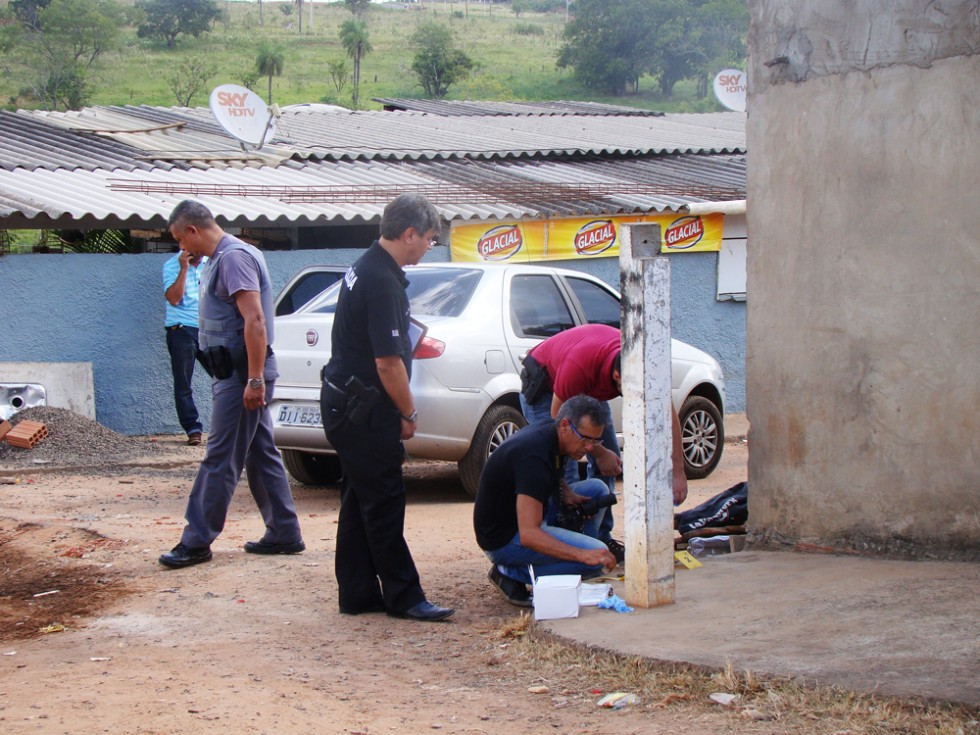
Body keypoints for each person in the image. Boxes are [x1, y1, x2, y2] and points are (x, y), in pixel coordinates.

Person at [318, 193, 454, 622]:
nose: (429, 246)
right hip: (364, 408)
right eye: (430, 239)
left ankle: (357, 592)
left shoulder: (367, 265)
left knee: (360, 500)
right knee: (384, 502)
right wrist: (409, 413)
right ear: (409, 233)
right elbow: (388, 361)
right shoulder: (380, 280)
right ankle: (405, 596)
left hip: (346, 402)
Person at [158, 200, 305, 569]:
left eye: (181, 239)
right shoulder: (216, 260)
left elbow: (255, 320)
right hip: (235, 374)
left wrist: (254, 379)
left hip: (243, 374)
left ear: (194, 230)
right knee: (260, 452)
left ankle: (196, 540)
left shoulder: (234, 258)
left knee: (220, 456)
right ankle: (284, 532)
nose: (182, 248)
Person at [519, 324, 688, 562]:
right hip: (547, 391)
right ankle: (562, 545)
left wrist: (678, 470)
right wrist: (598, 452)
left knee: (610, 463)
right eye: (633, 393)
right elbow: (559, 427)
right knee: (565, 474)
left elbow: (668, 418)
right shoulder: (579, 366)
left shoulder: (644, 366)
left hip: (589, 392)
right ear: (617, 377)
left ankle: (601, 537)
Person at [474, 394, 618, 606]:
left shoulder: (553, 433)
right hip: (504, 539)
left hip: (526, 518)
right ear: (565, 425)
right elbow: (529, 534)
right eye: (585, 439)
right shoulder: (533, 456)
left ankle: (580, 560)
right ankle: (510, 572)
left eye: (595, 441)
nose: (589, 448)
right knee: (594, 561)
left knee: (597, 489)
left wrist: (565, 491)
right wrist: (582, 555)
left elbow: (551, 470)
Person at [162, 248, 207, 445]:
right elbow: (174, 298)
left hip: (208, 329)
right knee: (183, 384)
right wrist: (183, 269)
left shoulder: (211, 263)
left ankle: (234, 424)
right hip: (181, 330)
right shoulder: (172, 265)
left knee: (226, 378)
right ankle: (193, 429)